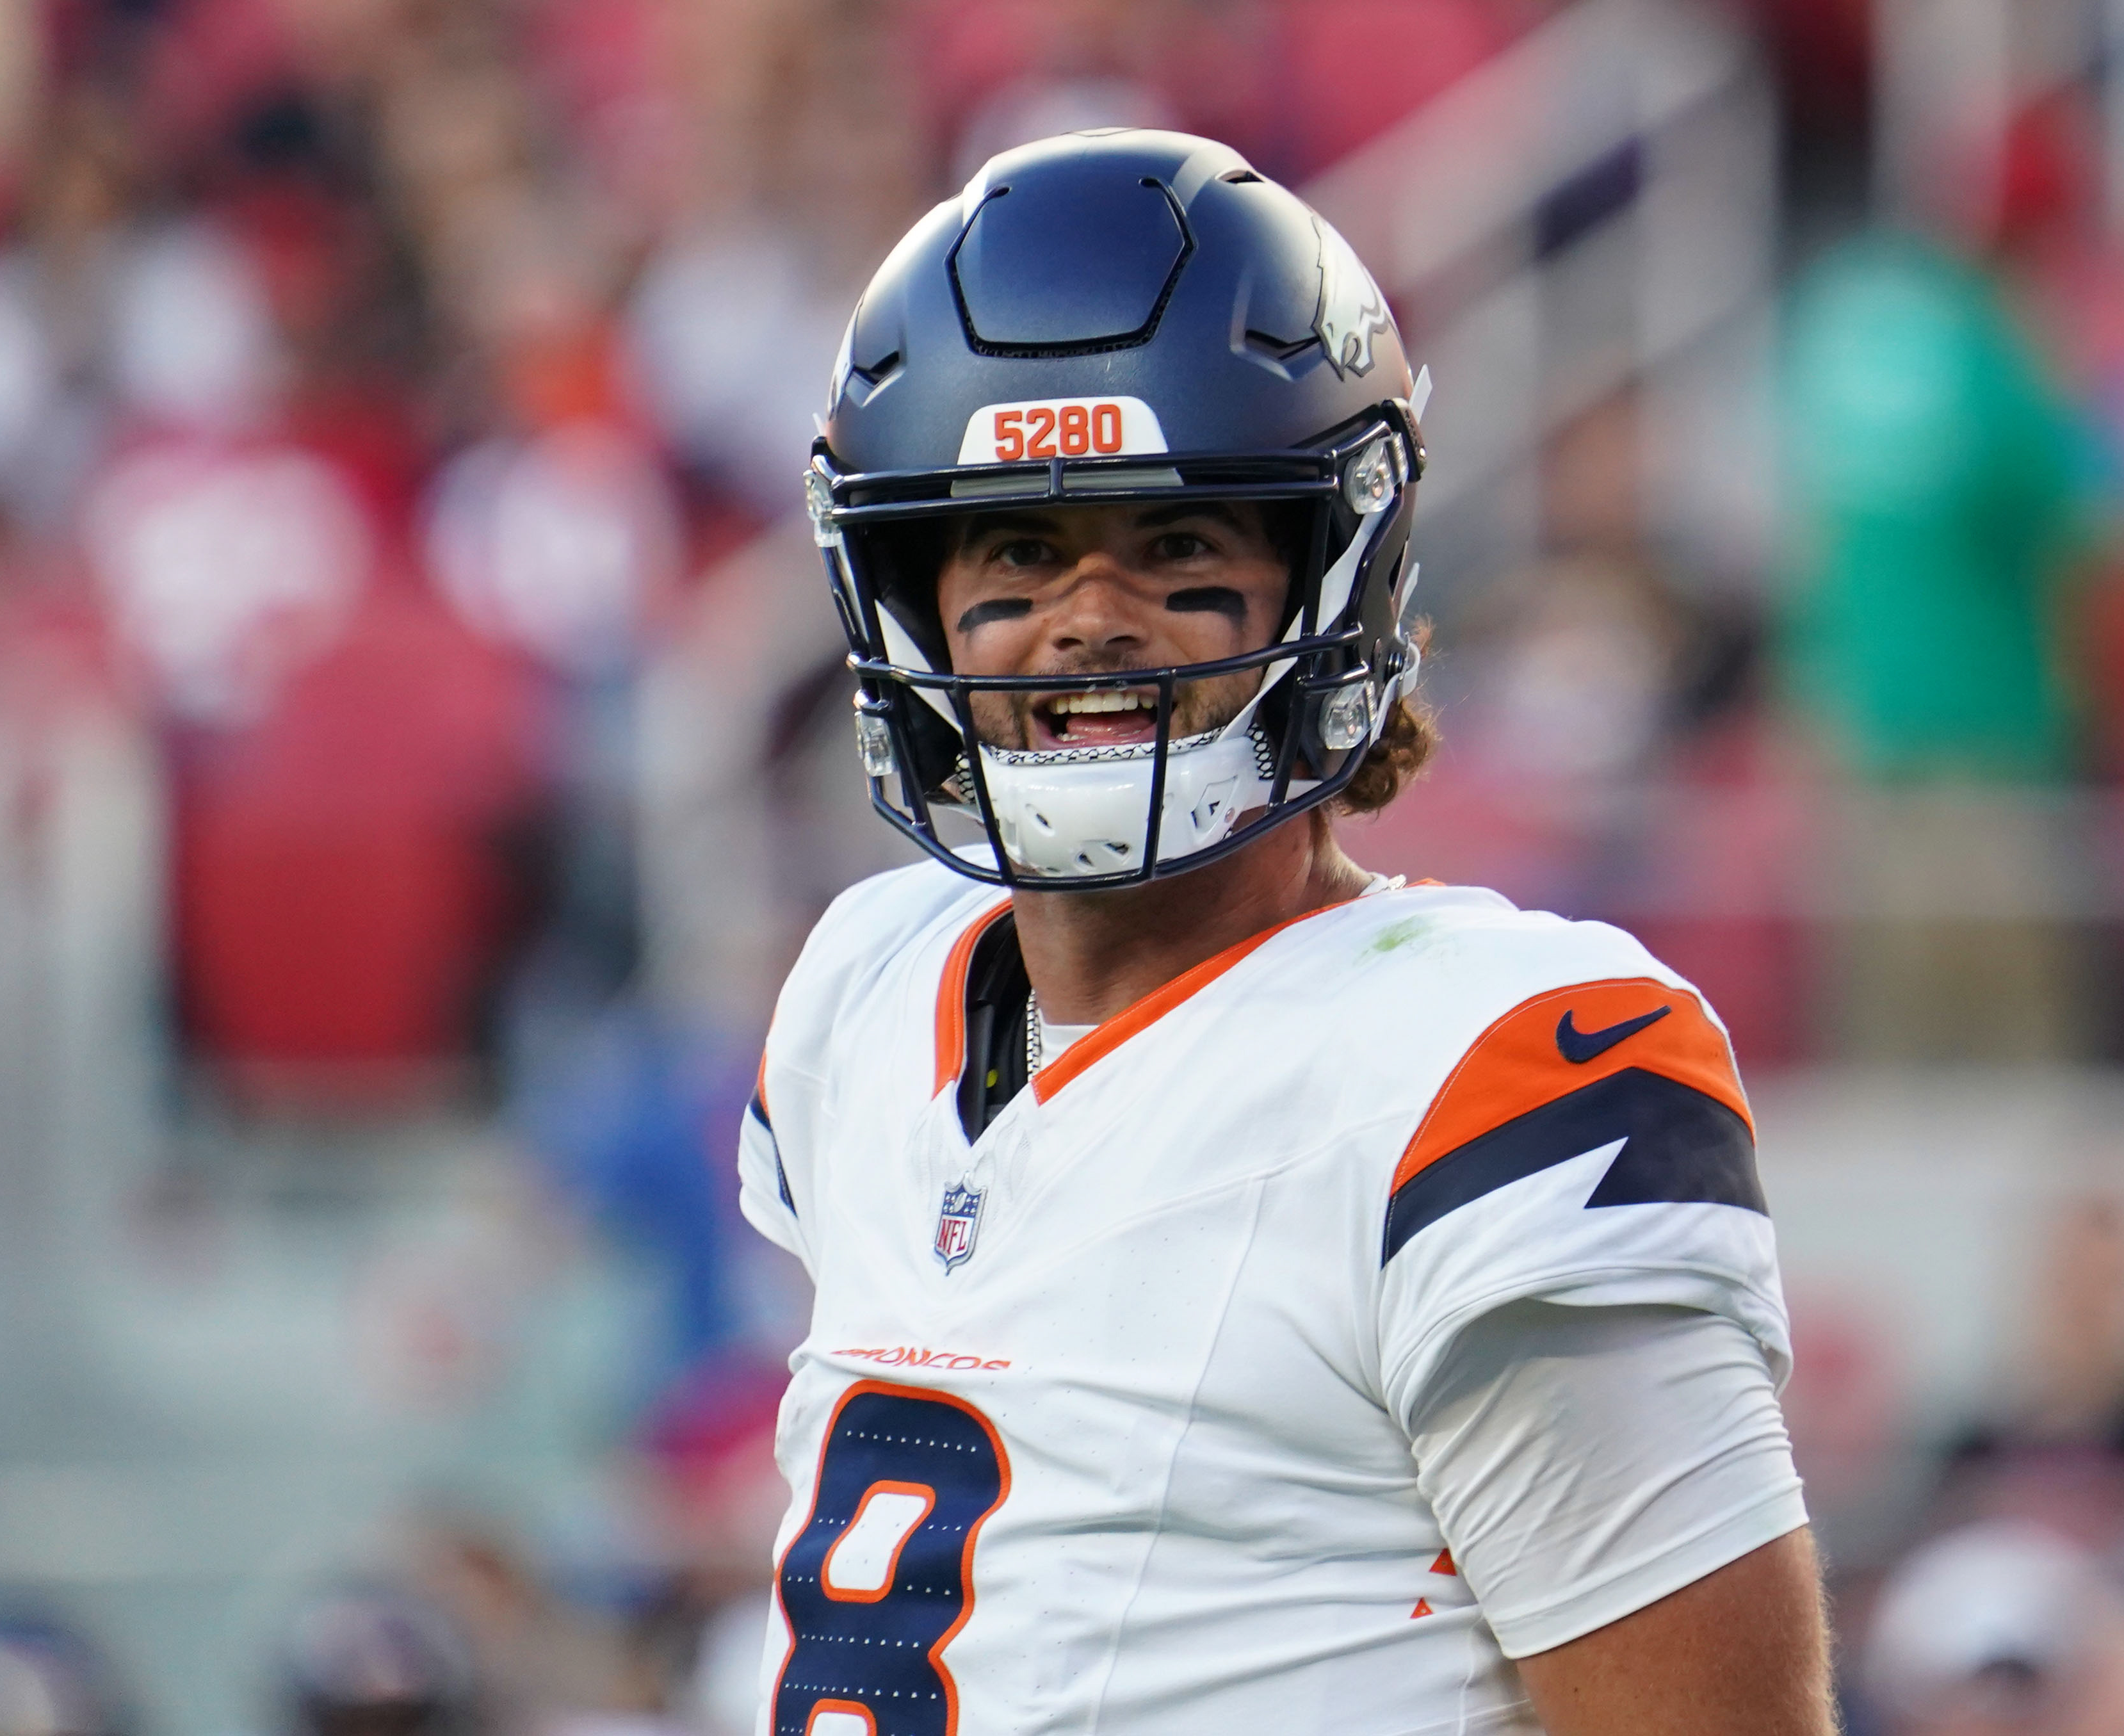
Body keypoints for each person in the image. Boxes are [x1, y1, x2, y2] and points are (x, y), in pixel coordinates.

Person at [736, 130, 1828, 1735]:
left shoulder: (1489, 1067)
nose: (1089, 615)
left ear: (1332, 577)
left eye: (1178, 545)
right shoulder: (863, 993)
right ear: (906, 593)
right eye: (1018, 551)